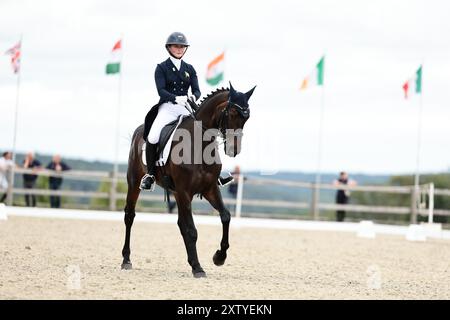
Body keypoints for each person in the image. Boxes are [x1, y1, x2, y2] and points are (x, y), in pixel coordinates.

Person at [140, 31, 201, 191]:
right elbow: (161, 91)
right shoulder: (161, 68)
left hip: (186, 108)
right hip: (168, 108)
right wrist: (175, 98)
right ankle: (151, 175)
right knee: (153, 137)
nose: (179, 49)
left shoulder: (190, 68)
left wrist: (193, 97)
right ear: (169, 47)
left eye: (182, 46)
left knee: (205, 133)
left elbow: (197, 90)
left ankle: (213, 173)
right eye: (176, 46)